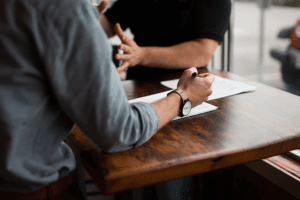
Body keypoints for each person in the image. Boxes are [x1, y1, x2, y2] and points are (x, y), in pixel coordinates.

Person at [0, 0, 215, 199]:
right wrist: (183, 97)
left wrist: (86, 29)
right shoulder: (65, 6)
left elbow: (203, 50)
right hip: (28, 187)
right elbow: (118, 130)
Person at [100, 0, 231, 80]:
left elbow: (202, 52)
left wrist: (141, 55)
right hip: (138, 81)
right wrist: (85, 19)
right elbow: (109, 23)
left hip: (184, 85)